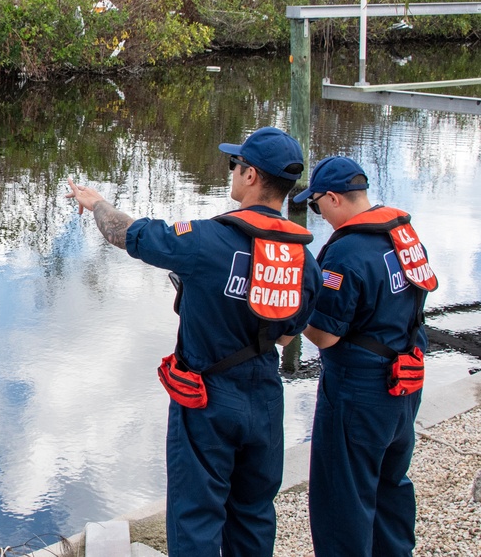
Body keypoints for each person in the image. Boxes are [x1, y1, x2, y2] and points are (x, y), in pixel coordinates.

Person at [66, 126, 321, 557]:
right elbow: (284, 336)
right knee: (254, 513)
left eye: (235, 164)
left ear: (252, 176)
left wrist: (96, 202)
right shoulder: (305, 262)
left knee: (195, 516)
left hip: (208, 401)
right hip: (264, 396)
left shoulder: (206, 240)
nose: (233, 171)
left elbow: (123, 233)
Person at [294, 156, 437, 557]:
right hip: (404, 381)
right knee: (391, 486)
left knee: (343, 499)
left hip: (360, 391)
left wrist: (296, 309)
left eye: (316, 203)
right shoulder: (403, 235)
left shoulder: (345, 253)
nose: (317, 212)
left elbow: (323, 336)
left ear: (334, 198)